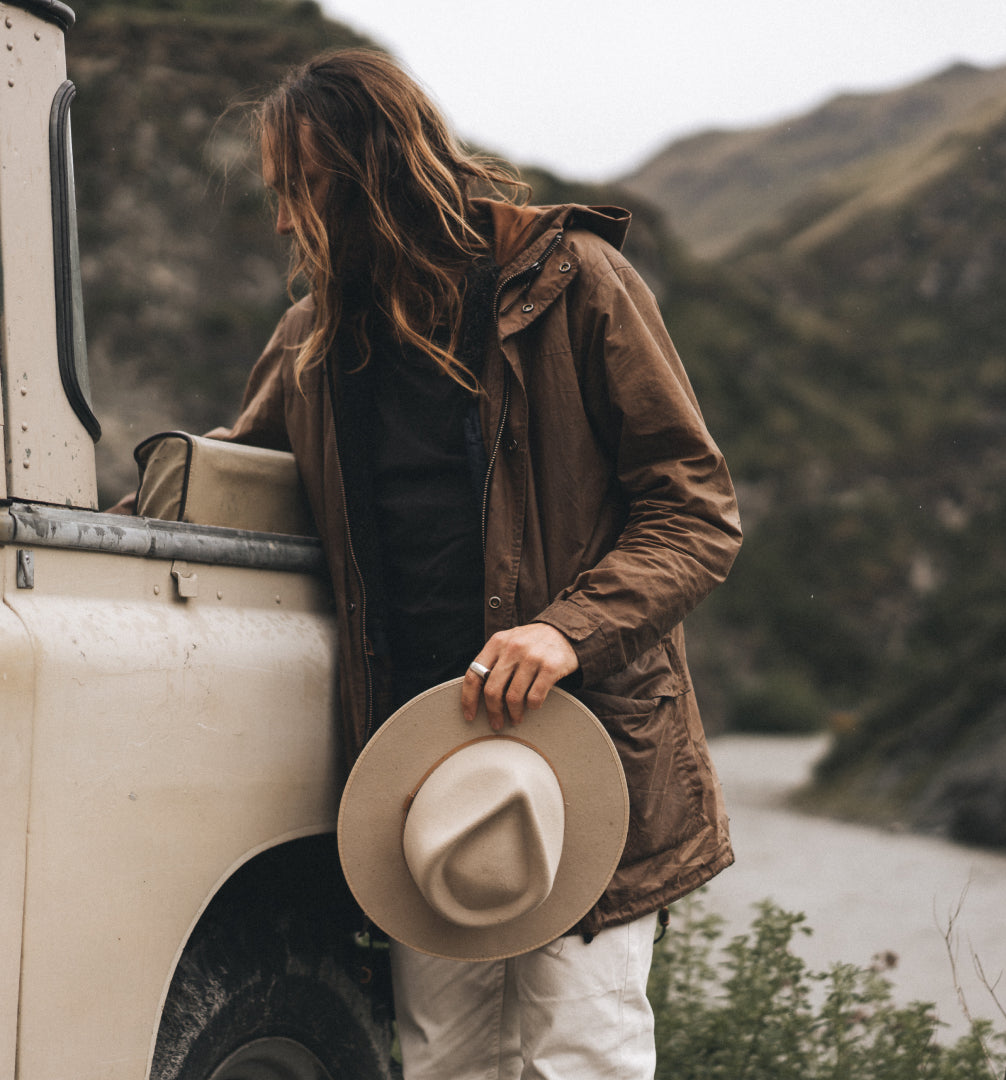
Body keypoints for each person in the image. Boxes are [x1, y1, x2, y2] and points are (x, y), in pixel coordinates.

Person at [213, 47, 742, 1080]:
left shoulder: (576, 284)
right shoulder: (310, 341)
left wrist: (565, 629)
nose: (284, 222)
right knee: (445, 1061)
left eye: (303, 188)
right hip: (420, 769)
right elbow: (222, 489)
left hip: (589, 755)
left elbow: (697, 512)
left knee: (580, 1056)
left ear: (380, 170)